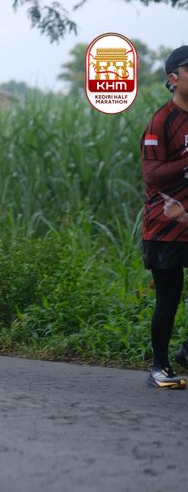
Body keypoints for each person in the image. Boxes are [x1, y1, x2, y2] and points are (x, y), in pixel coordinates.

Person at [141, 45, 188, 389]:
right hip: (165, 226)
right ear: (174, 78)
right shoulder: (162, 120)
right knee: (169, 299)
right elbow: (152, 174)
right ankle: (159, 366)